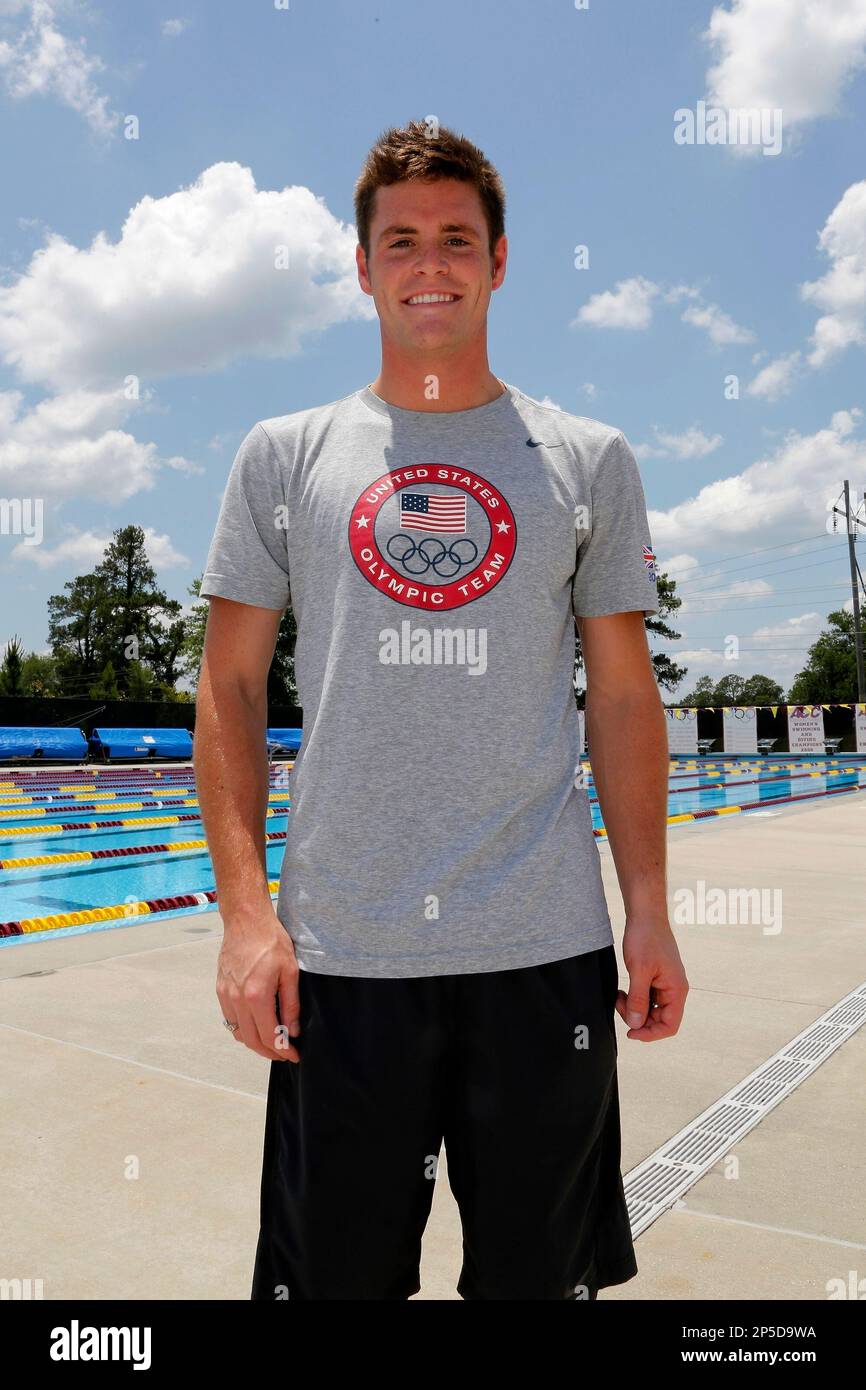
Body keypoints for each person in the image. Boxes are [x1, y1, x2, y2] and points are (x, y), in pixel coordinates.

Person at [195, 119, 689, 1301]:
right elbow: (226, 687)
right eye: (401, 240)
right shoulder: (285, 453)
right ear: (362, 266)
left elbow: (623, 696)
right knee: (337, 1284)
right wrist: (246, 917)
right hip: (344, 954)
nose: (431, 262)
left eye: (456, 238)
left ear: (500, 260)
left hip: (543, 952)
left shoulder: (586, 456)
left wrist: (651, 911)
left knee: (537, 1282)